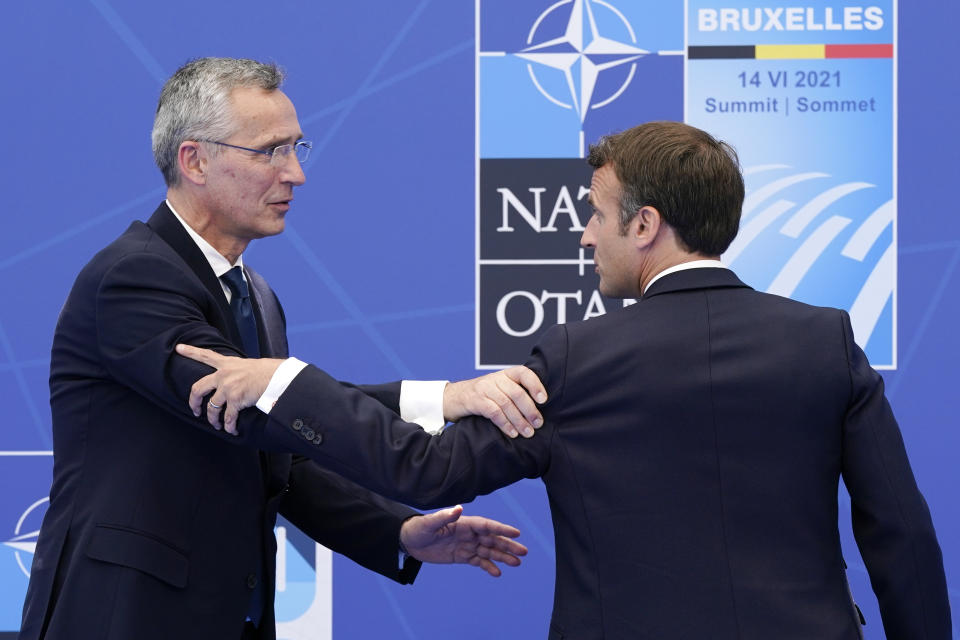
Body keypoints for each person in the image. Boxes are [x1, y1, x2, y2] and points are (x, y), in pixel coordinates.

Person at [178, 121, 952, 639]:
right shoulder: (824, 341)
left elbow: (423, 467)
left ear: (644, 226)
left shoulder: (577, 359)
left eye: (595, 212)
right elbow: (901, 533)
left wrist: (285, 383)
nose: (583, 233)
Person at [19, 57, 549, 640]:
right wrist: (444, 402)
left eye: (297, 148)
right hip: (126, 617)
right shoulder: (134, 277)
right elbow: (239, 410)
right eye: (269, 151)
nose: (295, 173)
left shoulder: (257, 295)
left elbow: (281, 456)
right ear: (194, 159)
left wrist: (397, 532)